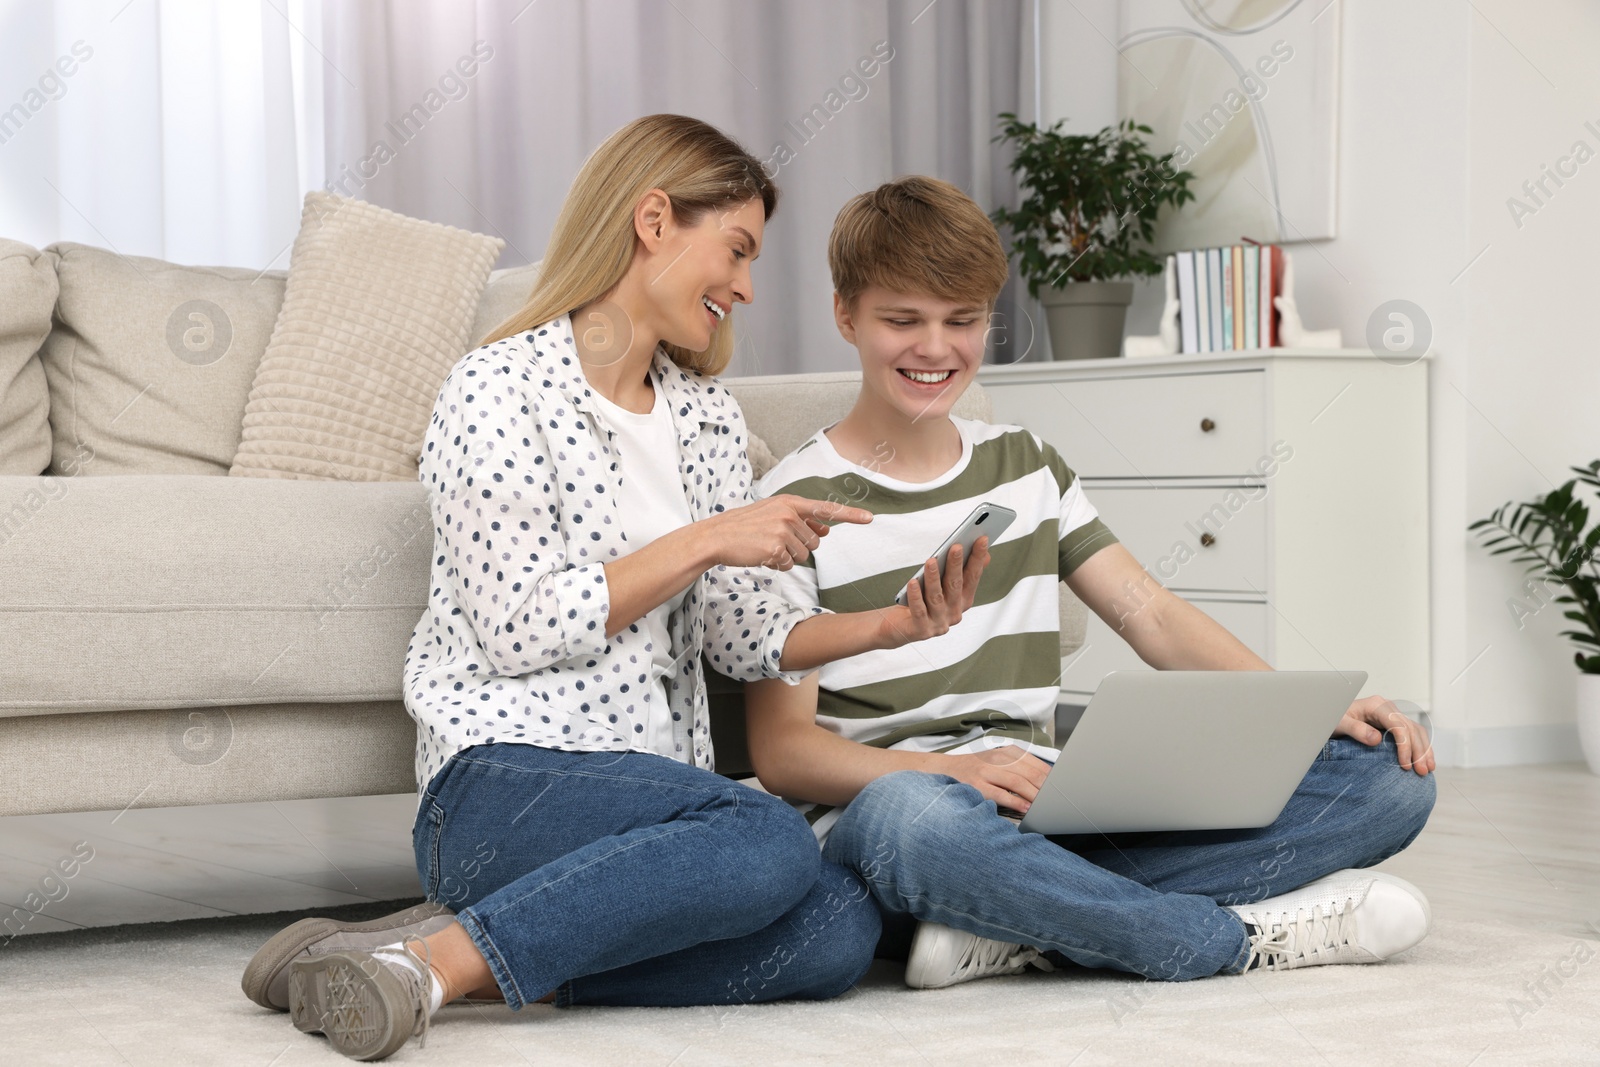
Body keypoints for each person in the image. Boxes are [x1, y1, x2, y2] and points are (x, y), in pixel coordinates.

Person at [241, 118, 989, 1062]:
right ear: (653, 219)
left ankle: (421, 947)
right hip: (498, 786)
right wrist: (708, 537)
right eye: (738, 249)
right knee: (767, 832)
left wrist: (884, 626)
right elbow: (515, 625)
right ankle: (431, 970)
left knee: (838, 926)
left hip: (659, 809)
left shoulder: (708, 417)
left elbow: (732, 631)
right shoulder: (496, 388)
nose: (747, 287)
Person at [744, 175, 1439, 992]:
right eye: (903, 320)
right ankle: (1222, 937)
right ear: (846, 316)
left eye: (962, 321)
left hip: (1048, 809)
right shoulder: (788, 509)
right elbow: (783, 752)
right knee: (915, 824)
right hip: (903, 818)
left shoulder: (1028, 465)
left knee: (1391, 776)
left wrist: (1310, 710)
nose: (935, 349)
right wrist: (947, 775)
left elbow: (1152, 617)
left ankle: (1018, 927)